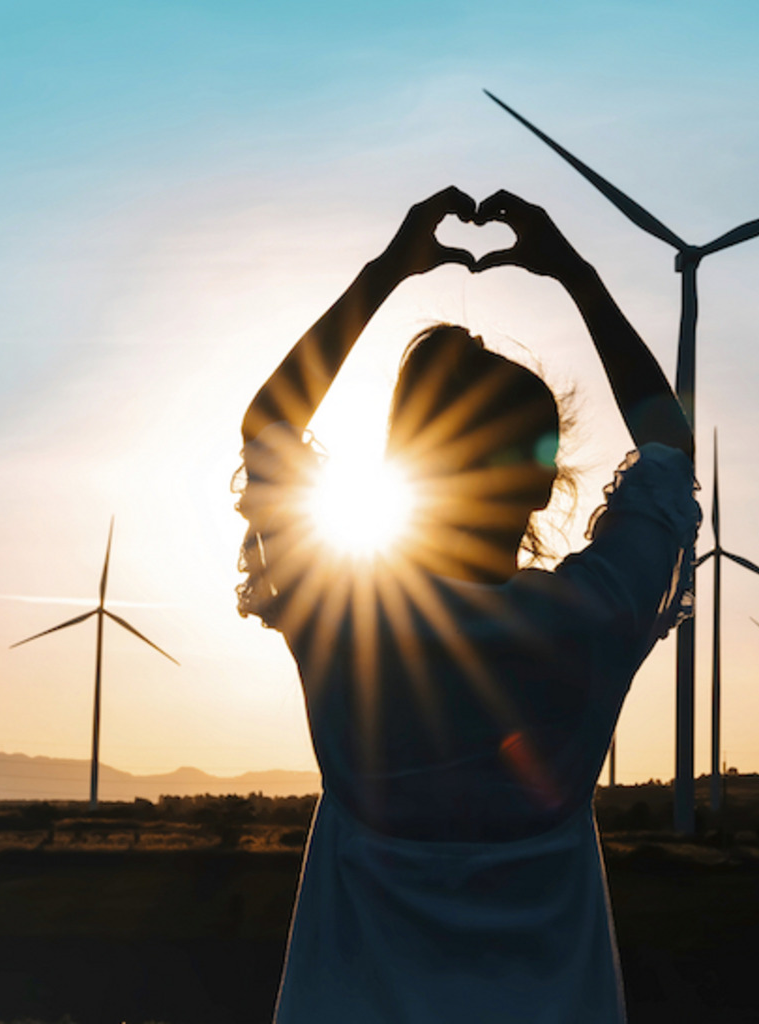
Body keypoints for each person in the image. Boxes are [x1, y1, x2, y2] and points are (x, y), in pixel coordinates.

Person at [235, 186, 697, 1022]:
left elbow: (268, 429)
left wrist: (387, 272)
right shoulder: (592, 618)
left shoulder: (345, 620)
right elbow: (667, 446)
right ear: (543, 483)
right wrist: (574, 272)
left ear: (406, 466)